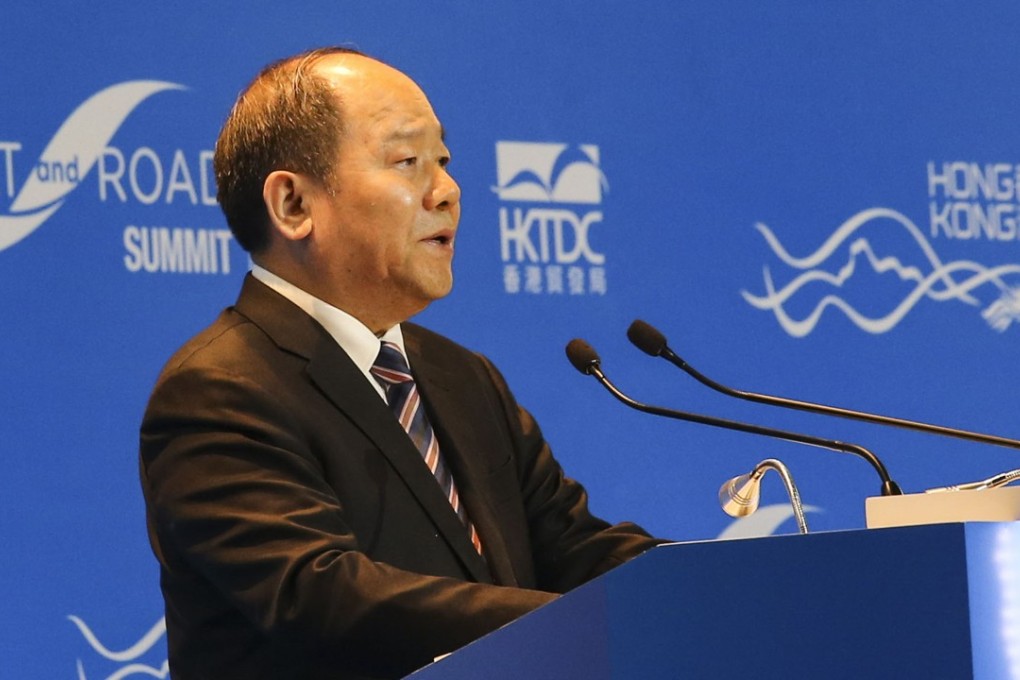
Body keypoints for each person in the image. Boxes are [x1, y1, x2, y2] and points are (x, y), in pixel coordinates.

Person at [140, 46, 662, 680]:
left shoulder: (461, 376)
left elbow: (574, 548)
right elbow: (325, 597)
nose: (447, 191)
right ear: (293, 205)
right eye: (408, 162)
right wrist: (581, 625)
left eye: (443, 160)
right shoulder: (219, 389)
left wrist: (708, 590)